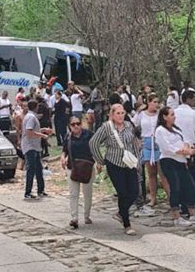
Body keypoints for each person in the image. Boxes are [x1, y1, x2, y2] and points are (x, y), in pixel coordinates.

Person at [89, 104, 140, 235]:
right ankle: (127, 223)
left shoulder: (129, 125)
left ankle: (121, 213)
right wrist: (100, 160)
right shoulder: (107, 127)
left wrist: (137, 160)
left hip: (129, 162)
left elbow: (134, 143)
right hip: (114, 162)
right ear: (112, 114)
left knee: (134, 192)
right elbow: (93, 142)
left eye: (122, 113)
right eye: (118, 113)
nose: (121, 116)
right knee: (122, 193)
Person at [155, 107, 195, 226]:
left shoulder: (176, 129)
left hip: (181, 161)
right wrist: (182, 151)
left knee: (189, 185)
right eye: (172, 114)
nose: (174, 116)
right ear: (164, 116)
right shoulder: (160, 130)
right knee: (175, 186)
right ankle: (176, 216)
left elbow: (185, 141)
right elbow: (167, 147)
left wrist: (188, 149)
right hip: (169, 160)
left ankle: (192, 213)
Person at [132, 94, 170, 208]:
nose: (156, 104)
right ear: (148, 102)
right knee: (151, 173)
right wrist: (137, 140)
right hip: (147, 143)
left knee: (162, 173)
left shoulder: (159, 114)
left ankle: (170, 197)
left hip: (158, 144)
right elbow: (132, 126)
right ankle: (153, 198)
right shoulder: (141, 114)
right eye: (154, 102)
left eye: (157, 102)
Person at [60, 116, 96, 229]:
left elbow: (95, 148)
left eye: (78, 123)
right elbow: (64, 150)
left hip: (87, 167)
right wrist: (62, 157)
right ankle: (74, 217)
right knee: (73, 194)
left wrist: (98, 161)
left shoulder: (88, 134)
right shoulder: (68, 137)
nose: (76, 126)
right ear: (69, 126)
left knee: (87, 193)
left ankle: (86, 215)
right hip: (73, 167)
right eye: (73, 124)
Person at [175, 89, 195, 214]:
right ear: (188, 99)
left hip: (177, 150)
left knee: (180, 179)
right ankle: (194, 205)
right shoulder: (194, 114)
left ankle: (182, 206)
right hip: (192, 151)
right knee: (192, 179)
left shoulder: (174, 113)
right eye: (194, 99)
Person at [22, 100, 53, 199]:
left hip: (35, 146)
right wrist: (43, 135)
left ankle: (41, 190)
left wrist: (43, 130)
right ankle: (28, 192)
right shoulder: (31, 117)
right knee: (31, 169)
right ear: (36, 107)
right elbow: (29, 132)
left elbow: (33, 130)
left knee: (39, 169)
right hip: (30, 146)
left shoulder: (30, 116)